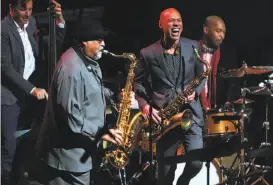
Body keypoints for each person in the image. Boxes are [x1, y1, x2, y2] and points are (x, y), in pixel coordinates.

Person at [34, 20, 124, 185]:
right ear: (84, 41)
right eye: (98, 40)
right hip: (70, 159)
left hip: (82, 152)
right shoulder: (71, 70)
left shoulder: (85, 59)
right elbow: (71, 117)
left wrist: (116, 95)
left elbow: (90, 90)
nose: (103, 44)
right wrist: (102, 132)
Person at [134, 8, 205, 185]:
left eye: (179, 20)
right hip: (164, 119)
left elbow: (201, 76)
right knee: (165, 174)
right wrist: (145, 106)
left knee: (196, 162)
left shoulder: (193, 46)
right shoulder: (148, 53)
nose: (176, 24)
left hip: (190, 115)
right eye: (171, 20)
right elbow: (138, 83)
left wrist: (195, 92)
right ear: (161, 24)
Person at [1, 0, 65, 183]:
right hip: (8, 96)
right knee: (9, 149)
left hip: (28, 96)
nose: (27, 13)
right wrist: (32, 89)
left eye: (30, 9)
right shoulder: (2, 30)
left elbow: (52, 45)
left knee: (27, 144)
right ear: (11, 9)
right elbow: (5, 68)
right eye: (23, 9)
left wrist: (58, 21)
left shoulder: (32, 23)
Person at [199, 15, 240, 110]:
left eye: (224, 32)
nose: (222, 36)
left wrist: (228, 101)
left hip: (217, 110)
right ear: (206, 30)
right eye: (218, 31)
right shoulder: (192, 50)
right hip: (193, 110)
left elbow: (233, 83)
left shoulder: (227, 55)